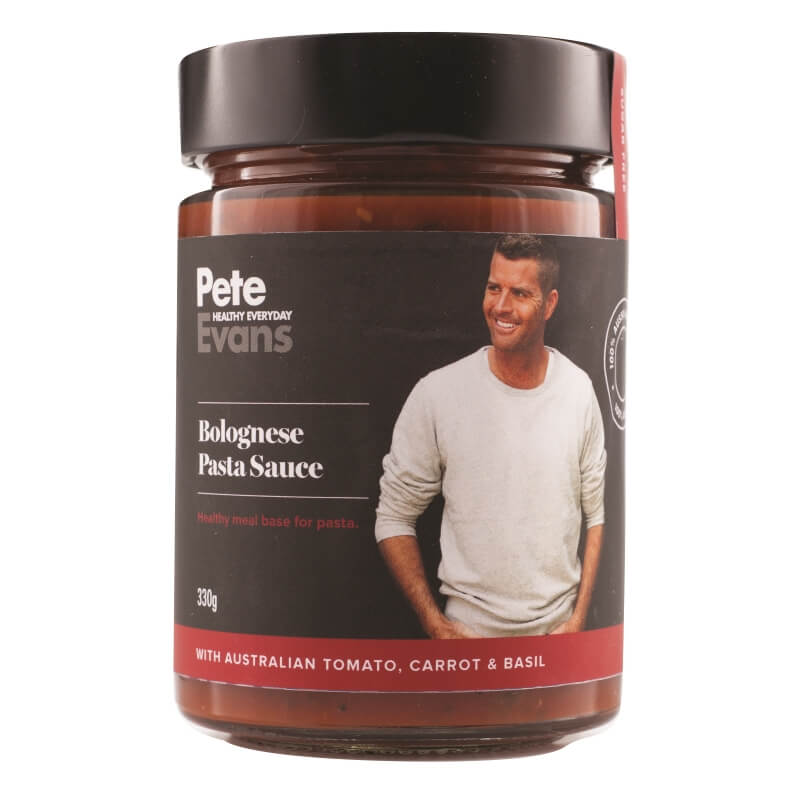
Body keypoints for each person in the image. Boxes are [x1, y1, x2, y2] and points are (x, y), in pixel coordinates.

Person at [375, 234, 606, 638]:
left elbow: (597, 515)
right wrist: (435, 625)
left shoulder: (577, 390)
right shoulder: (438, 393)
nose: (501, 306)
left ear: (550, 304)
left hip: (557, 637)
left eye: (520, 293)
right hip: (467, 636)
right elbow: (393, 516)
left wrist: (577, 622)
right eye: (493, 287)